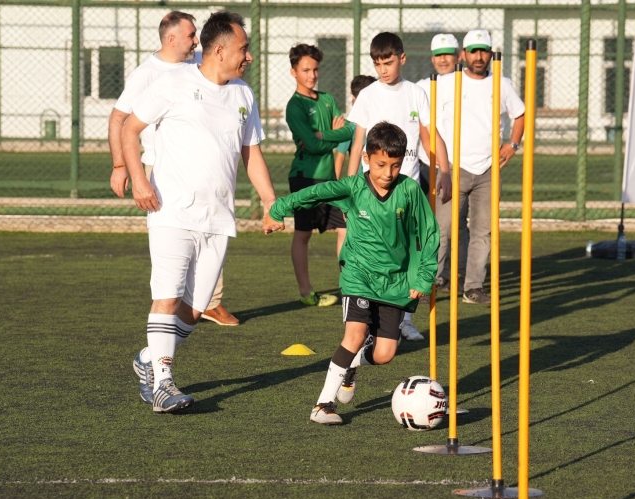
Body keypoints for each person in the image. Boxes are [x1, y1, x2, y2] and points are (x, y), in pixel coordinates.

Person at [122, 11, 278, 412]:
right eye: (244, 49)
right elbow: (128, 128)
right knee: (167, 299)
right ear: (220, 49)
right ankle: (163, 384)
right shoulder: (173, 82)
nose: (249, 57)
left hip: (218, 218)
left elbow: (251, 153)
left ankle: (148, 360)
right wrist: (138, 179)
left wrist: (269, 200)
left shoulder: (243, 94)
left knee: (194, 310)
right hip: (171, 211)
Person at [263, 122, 439, 425]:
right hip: (358, 275)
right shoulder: (354, 186)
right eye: (381, 164)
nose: (388, 173)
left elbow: (429, 233)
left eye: (395, 166)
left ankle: (354, 363)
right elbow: (315, 193)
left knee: (384, 354)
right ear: (367, 159)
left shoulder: (409, 190)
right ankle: (323, 405)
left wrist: (423, 277)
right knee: (354, 334)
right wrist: (279, 209)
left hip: (395, 282)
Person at [107, 11, 239, 327]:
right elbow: (119, 119)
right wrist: (121, 165)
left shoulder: (197, 69)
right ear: (171, 39)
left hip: (201, 167)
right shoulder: (147, 74)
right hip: (160, 165)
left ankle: (208, 301)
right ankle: (172, 303)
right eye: (192, 35)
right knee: (176, 243)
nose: (197, 40)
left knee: (211, 225)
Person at [346, 31, 452, 342]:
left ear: (402, 59)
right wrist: (350, 186)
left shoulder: (417, 93)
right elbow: (357, 144)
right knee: (375, 254)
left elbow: (431, 135)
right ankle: (368, 321)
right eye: (377, 64)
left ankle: (404, 320)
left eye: (388, 62)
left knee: (410, 254)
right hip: (373, 190)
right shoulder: (368, 95)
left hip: (408, 186)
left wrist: (444, 170)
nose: (383, 70)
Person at [436, 29, 524, 304]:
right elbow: (427, 117)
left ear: (490, 53)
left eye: (483, 50)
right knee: (444, 228)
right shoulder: (448, 82)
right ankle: (432, 279)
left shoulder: (502, 82)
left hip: (488, 169)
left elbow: (519, 114)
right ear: (463, 54)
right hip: (453, 167)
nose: (478, 56)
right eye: (473, 50)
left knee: (482, 231)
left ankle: (472, 286)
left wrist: (512, 144)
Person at [284, 44, 355, 307]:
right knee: (303, 234)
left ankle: (349, 285)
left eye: (315, 69)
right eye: (306, 70)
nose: (312, 75)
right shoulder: (295, 106)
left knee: (346, 229)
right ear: (294, 72)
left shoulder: (327, 99)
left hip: (329, 179)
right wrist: (330, 139)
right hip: (305, 178)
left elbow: (349, 132)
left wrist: (322, 135)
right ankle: (306, 292)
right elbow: (312, 147)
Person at [415, 33, 463, 293]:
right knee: (427, 226)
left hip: (457, 164)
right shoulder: (422, 86)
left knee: (448, 227)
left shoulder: (467, 83)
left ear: (459, 55)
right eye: (438, 55)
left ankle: (442, 278)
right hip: (424, 164)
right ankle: (429, 276)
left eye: (448, 53)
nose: (443, 60)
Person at [333, 75, 377, 180]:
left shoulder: (352, 125)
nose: (351, 101)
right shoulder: (353, 125)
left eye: (353, 97)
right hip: (364, 182)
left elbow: (340, 157)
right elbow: (340, 157)